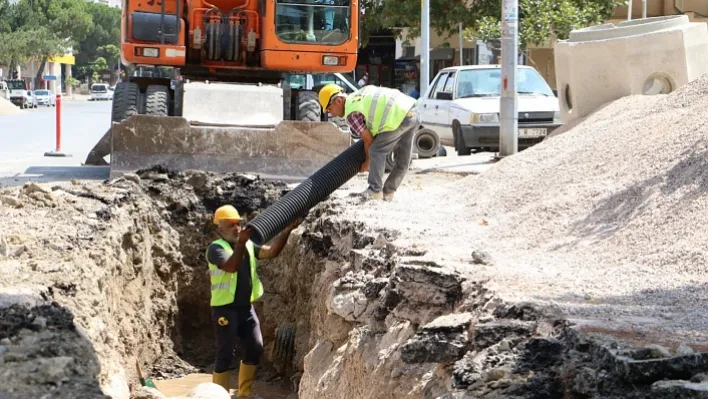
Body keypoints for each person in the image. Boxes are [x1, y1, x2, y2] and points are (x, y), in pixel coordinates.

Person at [208, 205, 301, 396]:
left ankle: (244, 394)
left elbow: (272, 252)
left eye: (238, 224)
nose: (237, 228)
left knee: (255, 347)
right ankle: (219, 395)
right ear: (220, 228)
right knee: (225, 354)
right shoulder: (216, 249)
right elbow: (231, 266)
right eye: (231, 225)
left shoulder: (248, 245)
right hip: (224, 310)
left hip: (245, 309)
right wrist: (241, 243)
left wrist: (287, 231)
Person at [318, 83, 419, 201]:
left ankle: (375, 190)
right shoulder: (359, 94)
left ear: (339, 101)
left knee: (376, 150)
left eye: (330, 109)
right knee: (403, 160)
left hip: (398, 117)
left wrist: (367, 162)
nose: (332, 114)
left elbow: (368, 139)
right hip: (413, 110)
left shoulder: (351, 113)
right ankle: (388, 192)